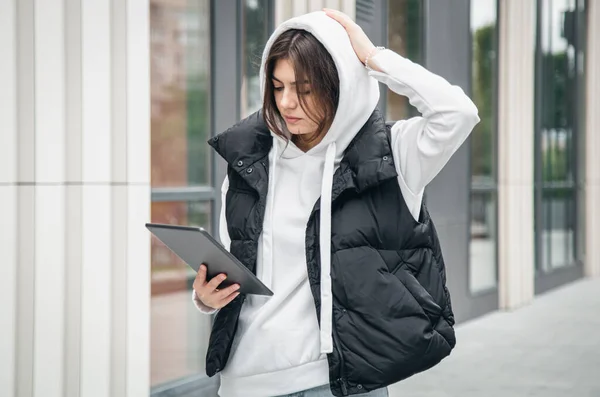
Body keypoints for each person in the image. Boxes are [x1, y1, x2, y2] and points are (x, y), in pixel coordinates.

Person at [192, 9, 479, 397]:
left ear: (339, 85)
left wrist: (373, 58)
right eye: (277, 87)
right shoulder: (249, 165)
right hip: (246, 380)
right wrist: (206, 299)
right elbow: (237, 267)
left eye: (305, 89)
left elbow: (457, 113)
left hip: (338, 384)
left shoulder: (393, 156)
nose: (288, 102)